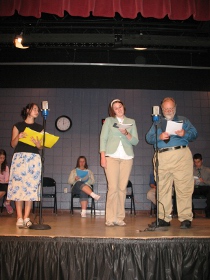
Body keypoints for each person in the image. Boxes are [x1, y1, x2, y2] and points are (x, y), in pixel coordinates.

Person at [146, 97, 197, 229]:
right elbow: (148, 138)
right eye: (166, 109)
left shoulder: (183, 120)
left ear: (175, 108)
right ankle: (163, 218)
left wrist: (184, 133)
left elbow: (194, 133)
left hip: (181, 155)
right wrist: (159, 136)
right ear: (162, 110)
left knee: (184, 188)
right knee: (162, 189)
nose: (169, 110)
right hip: (162, 156)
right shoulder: (157, 123)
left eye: (171, 108)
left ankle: (185, 218)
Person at [100, 99, 139, 226]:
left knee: (122, 189)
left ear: (123, 107)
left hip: (127, 158)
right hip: (111, 157)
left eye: (120, 107)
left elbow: (135, 141)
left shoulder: (131, 122)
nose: (118, 109)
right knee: (113, 188)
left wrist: (126, 133)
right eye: (116, 108)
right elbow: (103, 138)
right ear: (113, 110)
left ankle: (119, 218)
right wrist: (103, 156)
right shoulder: (109, 121)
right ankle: (110, 218)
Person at [7, 103, 43, 227]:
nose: (37, 111)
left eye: (37, 110)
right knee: (18, 187)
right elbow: (12, 144)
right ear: (27, 110)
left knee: (30, 188)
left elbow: (41, 146)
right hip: (20, 158)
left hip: (33, 158)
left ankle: (27, 217)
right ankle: (19, 217)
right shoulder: (18, 126)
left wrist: (38, 144)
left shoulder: (39, 127)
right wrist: (19, 136)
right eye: (34, 109)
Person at [193, 153, 210, 218]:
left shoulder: (207, 170)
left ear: (202, 161)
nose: (197, 164)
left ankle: (208, 212)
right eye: (195, 162)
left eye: (198, 162)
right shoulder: (191, 170)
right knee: (188, 192)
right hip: (195, 187)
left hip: (204, 187)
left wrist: (204, 181)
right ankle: (191, 213)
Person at [0, 149, 13, 214]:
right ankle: (7, 203)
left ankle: (7, 202)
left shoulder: (6, 167)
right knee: (4, 190)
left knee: (10, 187)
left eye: (3, 158)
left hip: (3, 184)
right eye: (0, 158)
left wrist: (8, 181)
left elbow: (6, 179)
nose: (2, 160)